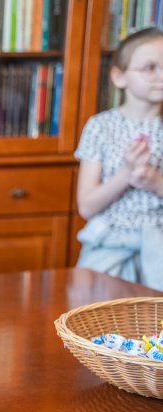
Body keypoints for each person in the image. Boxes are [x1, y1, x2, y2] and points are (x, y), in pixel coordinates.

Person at [75, 27, 163, 290]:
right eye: (150, 68)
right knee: (95, 308)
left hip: (159, 247)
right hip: (109, 248)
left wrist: (156, 182)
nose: (161, 75)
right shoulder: (100, 127)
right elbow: (86, 206)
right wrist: (126, 174)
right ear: (119, 76)